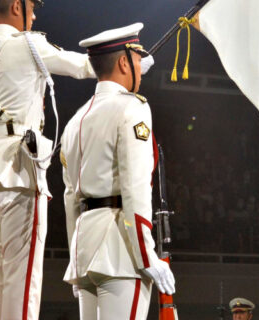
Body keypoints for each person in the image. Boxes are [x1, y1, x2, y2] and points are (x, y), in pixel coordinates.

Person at [0, 0, 153, 320]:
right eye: (32, 8)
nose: (34, 17)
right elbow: (84, 65)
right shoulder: (27, 45)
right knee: (24, 277)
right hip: (19, 168)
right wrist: (134, 64)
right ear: (18, 5)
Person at [60, 23, 173, 320]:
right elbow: (135, 189)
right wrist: (146, 255)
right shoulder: (132, 108)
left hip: (85, 247)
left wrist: (76, 256)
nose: (141, 66)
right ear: (124, 62)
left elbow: (71, 198)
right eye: (137, 59)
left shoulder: (76, 120)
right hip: (119, 250)